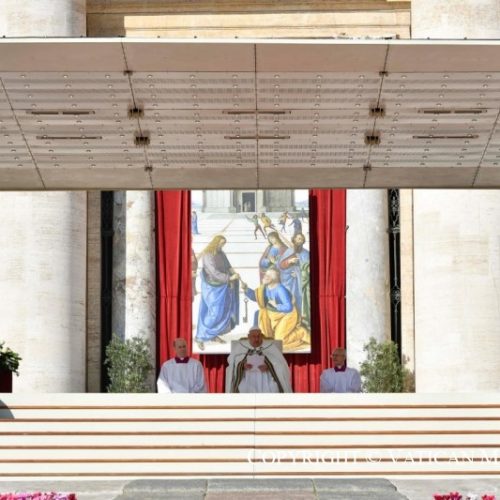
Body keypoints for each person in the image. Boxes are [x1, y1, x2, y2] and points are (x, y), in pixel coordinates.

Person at [241, 269, 310, 352]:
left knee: (280, 341)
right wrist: (246, 289)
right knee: (269, 338)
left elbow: (289, 307)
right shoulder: (265, 288)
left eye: (268, 276)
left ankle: (301, 333)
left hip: (287, 315)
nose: (265, 277)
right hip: (273, 315)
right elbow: (257, 297)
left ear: (274, 278)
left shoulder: (280, 289)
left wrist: (276, 305)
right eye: (265, 275)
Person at [195, 235, 240, 350]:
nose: (222, 246)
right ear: (215, 242)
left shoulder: (221, 253)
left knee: (222, 311)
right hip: (212, 287)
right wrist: (229, 278)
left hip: (222, 286)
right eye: (221, 243)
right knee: (214, 312)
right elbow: (213, 272)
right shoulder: (207, 255)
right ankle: (200, 337)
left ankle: (213, 335)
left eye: (223, 244)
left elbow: (228, 266)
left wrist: (234, 273)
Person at [226, 327, 292, 393]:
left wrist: (269, 366)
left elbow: (281, 364)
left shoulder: (270, 347)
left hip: (267, 378)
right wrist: (242, 365)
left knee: (274, 388)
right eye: (254, 336)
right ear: (249, 336)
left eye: (259, 336)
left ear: (262, 336)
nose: (256, 339)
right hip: (247, 378)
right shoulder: (240, 347)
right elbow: (232, 364)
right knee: (242, 388)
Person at [279, 232, 310, 328]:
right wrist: (289, 261)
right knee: (289, 299)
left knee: (299, 300)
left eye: (301, 239)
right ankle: (289, 322)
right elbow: (281, 265)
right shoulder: (289, 251)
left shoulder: (306, 254)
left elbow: (308, 269)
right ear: (294, 240)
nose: (300, 241)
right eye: (298, 239)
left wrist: (299, 273)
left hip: (301, 282)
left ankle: (299, 321)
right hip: (289, 281)